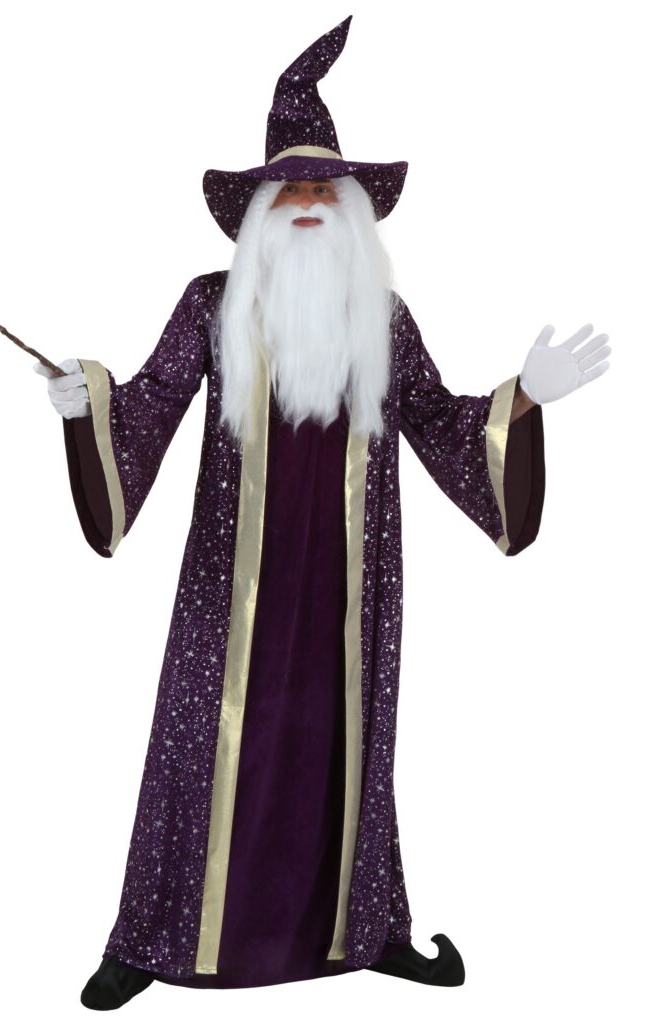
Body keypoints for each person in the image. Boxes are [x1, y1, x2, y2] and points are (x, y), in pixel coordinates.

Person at [33, 15, 610, 1009]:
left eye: (323, 191)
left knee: (346, 749)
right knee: (201, 745)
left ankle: (365, 930)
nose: (306, 203)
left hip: (351, 583)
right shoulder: (210, 305)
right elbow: (151, 404)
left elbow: (439, 420)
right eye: (288, 191)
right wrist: (89, 408)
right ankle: (155, 936)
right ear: (258, 212)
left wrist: (525, 399)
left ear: (351, 211)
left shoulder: (381, 316)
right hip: (232, 582)